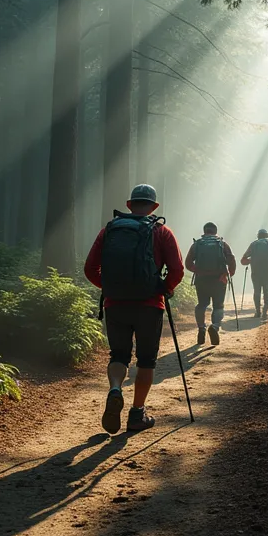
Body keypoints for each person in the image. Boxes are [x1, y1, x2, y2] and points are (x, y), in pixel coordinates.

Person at [83, 184, 185, 434]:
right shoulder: (162, 232)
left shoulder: (109, 230)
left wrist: (110, 287)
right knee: (146, 360)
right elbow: (177, 270)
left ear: (129, 205)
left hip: (115, 304)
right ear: (154, 206)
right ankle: (137, 414)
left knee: (118, 355)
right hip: (149, 305)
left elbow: (90, 269)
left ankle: (115, 389)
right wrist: (164, 288)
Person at [185, 222, 237, 346]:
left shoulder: (197, 244)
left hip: (201, 280)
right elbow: (231, 260)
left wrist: (198, 271)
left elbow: (188, 263)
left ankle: (201, 328)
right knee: (218, 306)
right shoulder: (222, 244)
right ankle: (214, 326)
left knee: (202, 304)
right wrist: (227, 274)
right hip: (219, 280)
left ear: (204, 231)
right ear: (215, 231)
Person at [240, 228, 268, 321]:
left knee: (257, 291)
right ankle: (264, 313)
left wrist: (251, 260)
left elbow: (243, 260)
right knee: (267, 292)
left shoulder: (253, 244)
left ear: (258, 236)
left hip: (256, 273)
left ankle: (258, 311)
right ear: (267, 235)